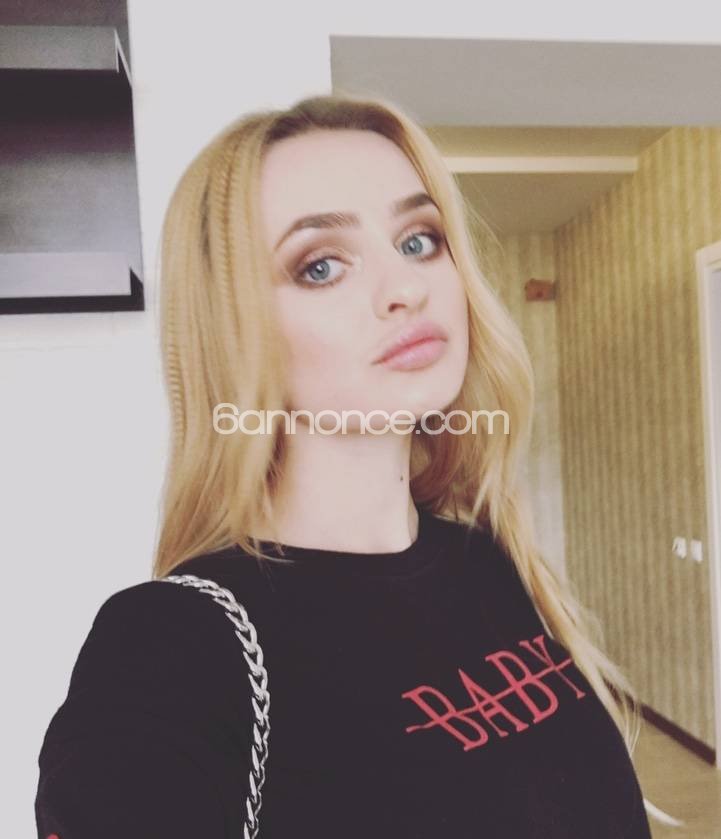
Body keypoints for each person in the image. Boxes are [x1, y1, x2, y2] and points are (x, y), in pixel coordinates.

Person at [35, 93, 666, 838]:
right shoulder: (169, 650)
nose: (406, 288)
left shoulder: (487, 558)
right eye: (321, 266)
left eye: (418, 240)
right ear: (231, 330)